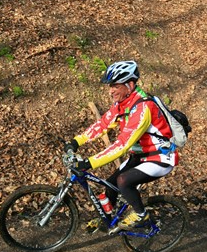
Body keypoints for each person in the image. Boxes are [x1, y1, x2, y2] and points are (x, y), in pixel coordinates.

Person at [63, 60, 178, 233]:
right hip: (140, 156)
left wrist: (90, 162)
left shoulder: (143, 108)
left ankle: (141, 215)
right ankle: (107, 219)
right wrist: (76, 141)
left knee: (123, 181)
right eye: (110, 86)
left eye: (115, 86)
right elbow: (103, 124)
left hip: (160, 158)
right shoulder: (122, 104)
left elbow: (122, 145)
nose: (111, 91)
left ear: (130, 85)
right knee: (110, 185)